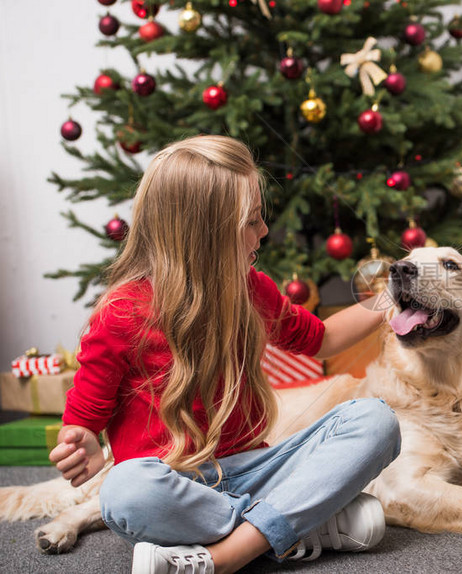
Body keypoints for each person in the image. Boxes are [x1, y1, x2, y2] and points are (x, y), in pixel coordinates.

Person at [48, 135, 401, 574]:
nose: (265, 231)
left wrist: (393, 298)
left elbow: (322, 339)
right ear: (206, 236)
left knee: (376, 421)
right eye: (253, 222)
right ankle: (289, 527)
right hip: (176, 483)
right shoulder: (122, 313)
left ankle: (225, 554)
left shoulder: (252, 289)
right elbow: (84, 417)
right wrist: (82, 439)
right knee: (124, 491)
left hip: (257, 467)